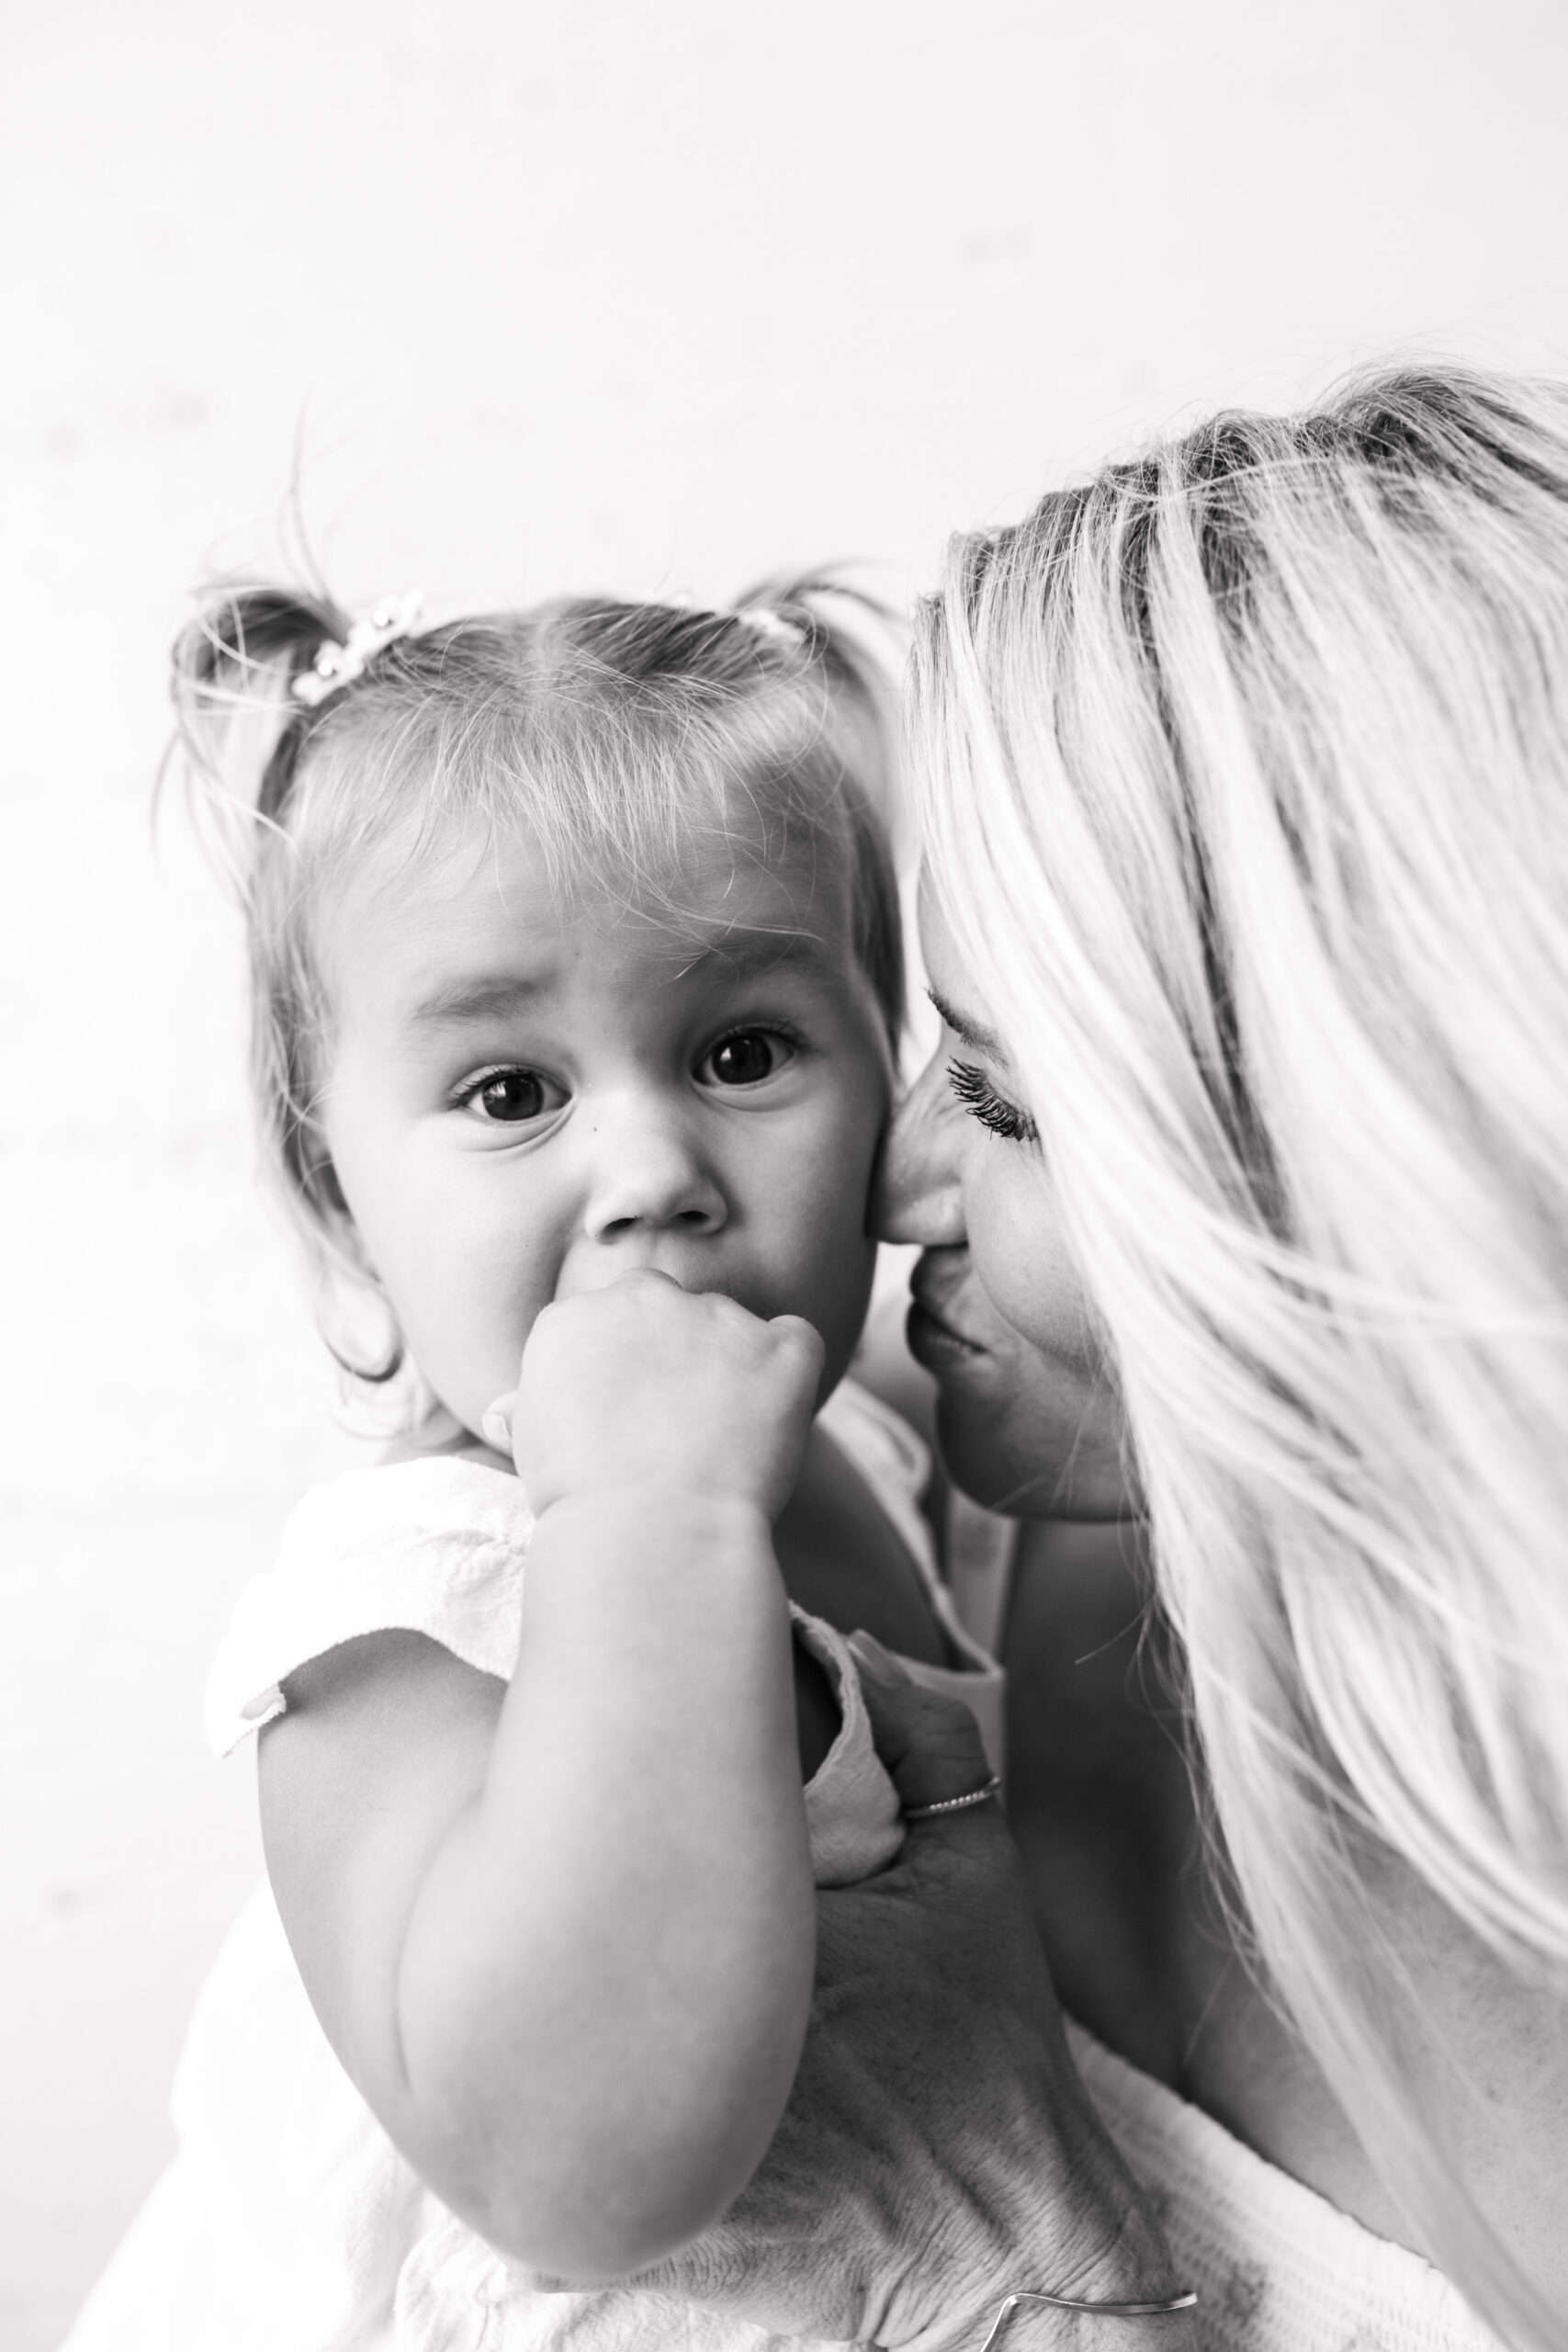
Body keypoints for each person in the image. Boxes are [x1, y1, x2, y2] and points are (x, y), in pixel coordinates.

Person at [593, 365, 1568, 2352]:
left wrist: (1023, 2231)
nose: (885, 1180)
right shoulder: (1034, 1555)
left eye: (1016, 1103)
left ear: (1358, 1169)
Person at [62, 578, 1014, 2348]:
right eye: (511, 1093)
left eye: (745, 1053)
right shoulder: (409, 1617)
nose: (653, 1168)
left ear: (893, 1091)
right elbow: (575, 2175)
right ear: (341, 1202)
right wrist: (645, 1515)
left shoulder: (873, 1438)